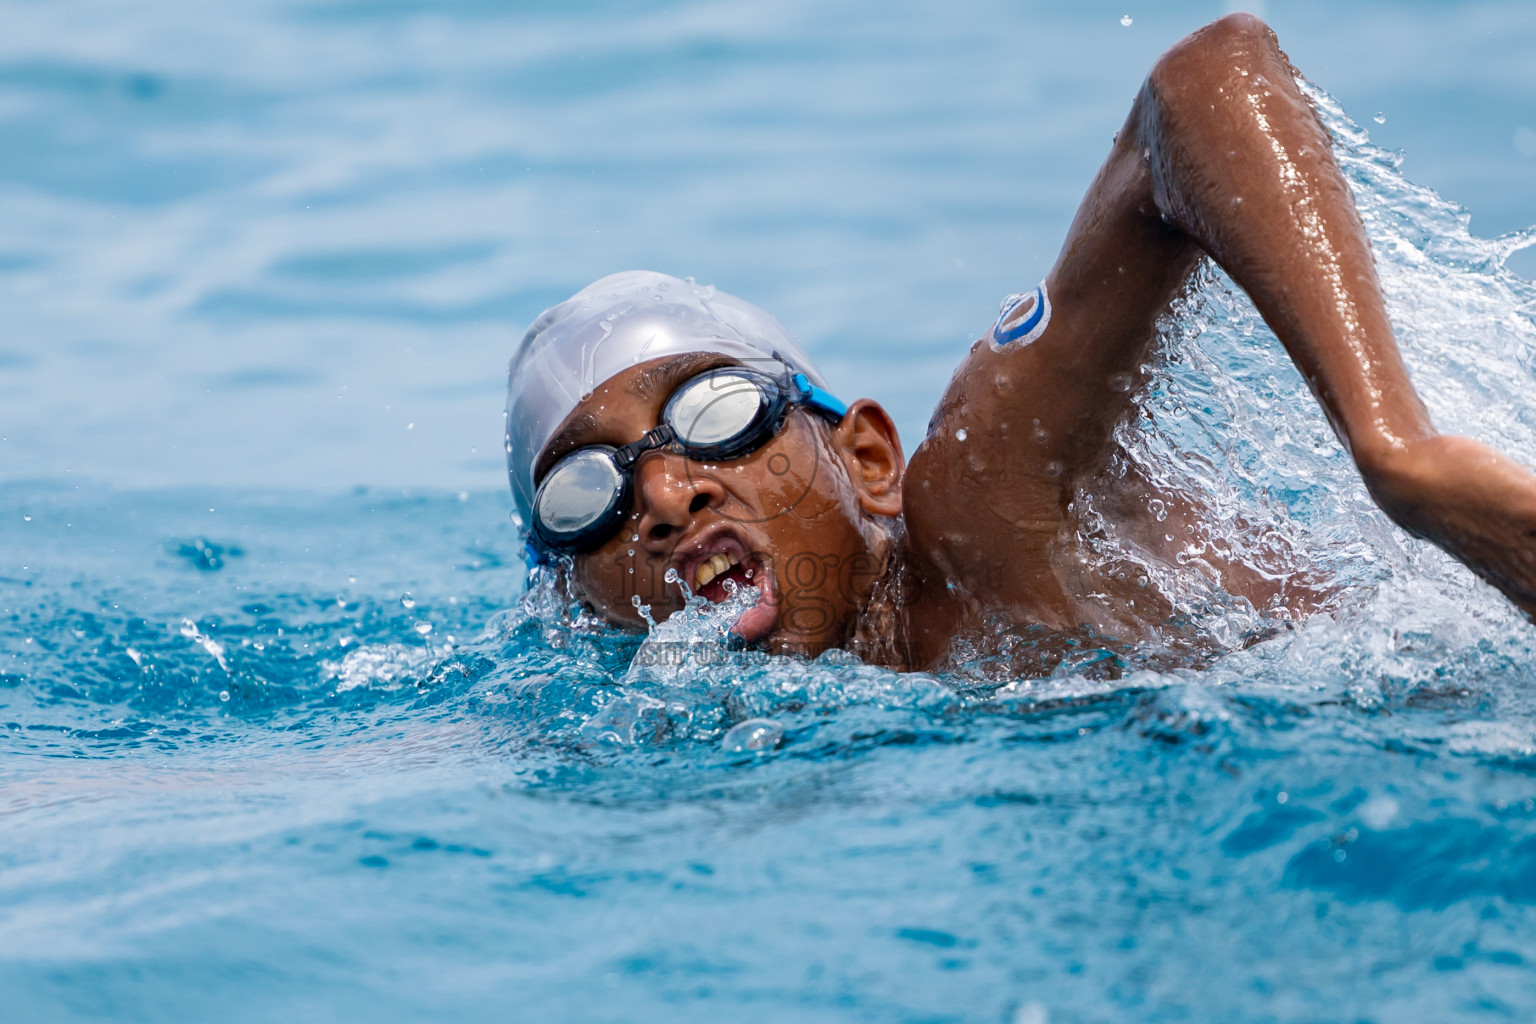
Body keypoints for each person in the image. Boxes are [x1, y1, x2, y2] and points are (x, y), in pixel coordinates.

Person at [504, 14, 1536, 673]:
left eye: (715, 413)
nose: (668, 495)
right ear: (578, 604)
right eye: (584, 494)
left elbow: (1202, 84)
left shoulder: (977, 510)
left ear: (866, 457)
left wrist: (1397, 451)